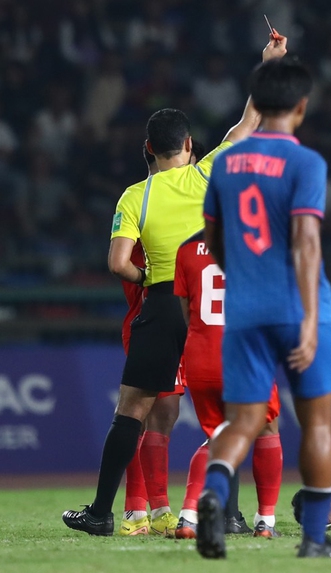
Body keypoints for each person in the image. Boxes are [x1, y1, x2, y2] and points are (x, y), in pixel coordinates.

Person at [61, 31, 288, 537]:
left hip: (162, 302)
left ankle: (103, 512)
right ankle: (233, 511)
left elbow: (118, 263)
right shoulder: (209, 173)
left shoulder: (133, 197)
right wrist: (269, 61)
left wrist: (151, 279)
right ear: (189, 146)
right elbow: (249, 120)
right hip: (214, 307)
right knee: (236, 410)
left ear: (149, 149)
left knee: (133, 412)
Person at [197, 58, 331, 559]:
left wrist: (242, 278)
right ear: (302, 108)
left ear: (256, 105)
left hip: (244, 310)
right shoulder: (305, 163)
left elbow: (213, 239)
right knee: (317, 424)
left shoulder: (224, 162)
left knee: (243, 421)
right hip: (299, 308)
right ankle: (315, 538)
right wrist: (308, 319)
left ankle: (214, 496)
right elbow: (306, 244)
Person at [172, 229, 284, 539]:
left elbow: (187, 312)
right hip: (244, 353)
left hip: (201, 356)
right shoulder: (257, 243)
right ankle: (266, 522)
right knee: (266, 429)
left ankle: (187, 517)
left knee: (216, 436)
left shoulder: (186, 248)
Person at [117, 143, 199, 537]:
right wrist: (147, 279)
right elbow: (124, 263)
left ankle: (161, 507)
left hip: (181, 321)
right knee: (139, 415)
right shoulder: (140, 202)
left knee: (165, 416)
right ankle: (135, 510)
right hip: (150, 318)